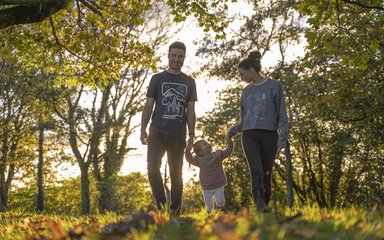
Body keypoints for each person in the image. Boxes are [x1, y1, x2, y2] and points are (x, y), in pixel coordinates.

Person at [225, 50, 288, 213]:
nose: (241, 78)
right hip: (249, 136)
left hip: (269, 135)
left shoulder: (274, 86)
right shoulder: (246, 91)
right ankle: (259, 204)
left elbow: (282, 115)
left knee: (267, 172)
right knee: (257, 171)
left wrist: (282, 139)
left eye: (241, 74)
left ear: (251, 70)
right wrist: (232, 131)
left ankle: (265, 204)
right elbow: (244, 119)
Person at [140, 41, 197, 216]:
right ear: (168, 55)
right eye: (174, 55)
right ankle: (162, 205)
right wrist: (143, 129)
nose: (176, 59)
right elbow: (149, 105)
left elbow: (191, 110)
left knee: (176, 174)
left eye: (180, 56)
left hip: (178, 134)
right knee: (152, 169)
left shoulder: (189, 81)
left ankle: (175, 212)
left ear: (184, 58)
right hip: (157, 131)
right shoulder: (157, 78)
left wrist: (191, 135)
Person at [185, 138, 234, 213]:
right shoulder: (198, 160)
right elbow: (189, 159)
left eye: (207, 143)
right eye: (204, 144)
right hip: (206, 187)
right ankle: (210, 216)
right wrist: (187, 150)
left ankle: (220, 212)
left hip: (218, 185)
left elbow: (227, 152)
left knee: (220, 202)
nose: (208, 144)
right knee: (209, 206)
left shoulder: (217, 155)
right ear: (200, 152)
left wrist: (230, 144)